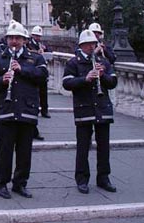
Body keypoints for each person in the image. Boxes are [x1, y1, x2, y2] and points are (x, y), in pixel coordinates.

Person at [0, 21, 48, 199]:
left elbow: (43, 76)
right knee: (5, 149)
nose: (14, 41)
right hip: (6, 109)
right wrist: (1, 81)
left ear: (24, 40)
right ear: (6, 39)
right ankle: (0, 183)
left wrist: (22, 70)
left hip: (27, 109)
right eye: (11, 38)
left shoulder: (36, 58)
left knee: (24, 151)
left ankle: (20, 183)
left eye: (18, 38)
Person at [62, 29, 118, 194]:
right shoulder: (73, 63)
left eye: (92, 44)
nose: (90, 47)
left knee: (104, 146)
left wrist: (103, 76)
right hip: (84, 108)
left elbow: (113, 82)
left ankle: (103, 178)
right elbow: (67, 83)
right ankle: (82, 179)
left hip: (102, 108)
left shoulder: (104, 62)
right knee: (83, 146)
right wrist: (85, 79)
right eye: (87, 45)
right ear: (81, 45)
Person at [27, 25, 51, 118]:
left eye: (39, 36)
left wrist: (45, 50)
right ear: (33, 35)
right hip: (34, 69)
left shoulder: (42, 44)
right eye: (37, 36)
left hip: (42, 70)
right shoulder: (28, 44)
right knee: (34, 91)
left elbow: (50, 52)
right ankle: (34, 109)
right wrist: (37, 52)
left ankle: (45, 110)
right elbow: (29, 53)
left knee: (43, 92)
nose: (38, 38)